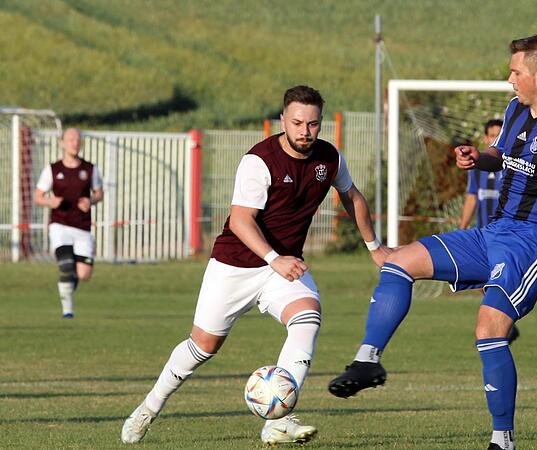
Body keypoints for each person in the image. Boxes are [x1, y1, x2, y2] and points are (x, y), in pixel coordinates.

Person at [328, 35, 537, 450]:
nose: (510, 79)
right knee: (399, 262)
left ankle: (502, 440)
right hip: (493, 231)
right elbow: (500, 155)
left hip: (532, 241)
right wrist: (478, 158)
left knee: (489, 327)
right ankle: (366, 362)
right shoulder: (516, 111)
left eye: (516, 71)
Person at [120, 86, 390, 445]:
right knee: (202, 347)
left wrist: (374, 247)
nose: (304, 132)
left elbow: (352, 196)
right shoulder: (258, 161)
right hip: (234, 266)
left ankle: (278, 420)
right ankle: (148, 408)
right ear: (282, 121)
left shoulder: (329, 158)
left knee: (307, 318)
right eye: (297, 123)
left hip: (283, 268)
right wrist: (273, 258)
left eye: (312, 124)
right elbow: (240, 221)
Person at [459, 119, 521, 343]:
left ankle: (500, 326)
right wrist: (463, 226)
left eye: (499, 134)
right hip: (483, 234)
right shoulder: (477, 169)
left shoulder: (512, 165)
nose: (494, 138)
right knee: (485, 281)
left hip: (507, 233)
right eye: (491, 135)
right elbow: (472, 197)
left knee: (500, 280)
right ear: (485, 138)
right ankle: (502, 325)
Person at [33, 128, 103, 319]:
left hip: (82, 227)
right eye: (70, 139)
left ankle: (70, 280)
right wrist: (50, 201)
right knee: (65, 265)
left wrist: (91, 201)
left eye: (77, 139)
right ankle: (68, 311)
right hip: (60, 225)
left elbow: (99, 193)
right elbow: (37, 196)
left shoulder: (90, 169)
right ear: (62, 143)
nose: (74, 142)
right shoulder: (53, 170)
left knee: (84, 275)